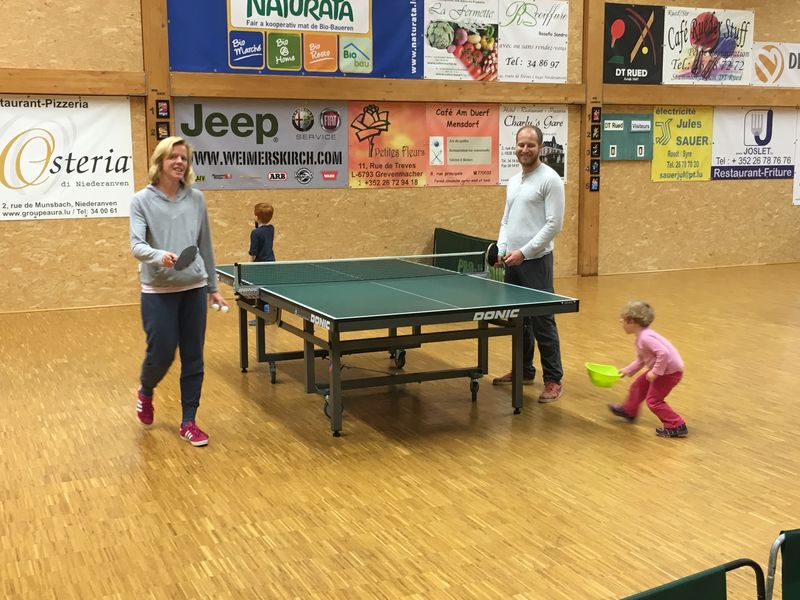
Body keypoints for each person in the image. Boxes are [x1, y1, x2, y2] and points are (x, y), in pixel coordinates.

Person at [129, 136, 228, 447]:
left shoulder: (196, 199)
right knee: (161, 353)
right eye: (173, 156)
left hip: (193, 289)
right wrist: (160, 256)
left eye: (184, 158)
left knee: (193, 357)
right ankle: (146, 390)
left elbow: (205, 245)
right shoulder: (141, 200)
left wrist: (213, 287)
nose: (179, 162)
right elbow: (136, 246)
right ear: (160, 161)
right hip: (157, 290)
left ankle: (189, 421)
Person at [491, 125, 565, 403]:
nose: (525, 149)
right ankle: (523, 370)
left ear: (540, 148)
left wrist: (525, 252)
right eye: (521, 144)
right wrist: (502, 248)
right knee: (519, 321)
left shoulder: (550, 180)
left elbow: (554, 225)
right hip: (513, 261)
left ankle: (553, 380)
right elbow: (506, 220)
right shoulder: (513, 181)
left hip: (536, 262)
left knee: (543, 321)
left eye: (530, 145)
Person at [608, 300, 688, 438]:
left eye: (623, 320)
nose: (621, 321)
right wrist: (626, 370)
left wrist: (655, 372)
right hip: (663, 370)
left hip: (669, 373)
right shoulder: (642, 336)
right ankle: (629, 410)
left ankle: (676, 425)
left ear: (632, 322)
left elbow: (663, 353)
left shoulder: (645, 338)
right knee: (638, 386)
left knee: (654, 401)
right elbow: (641, 360)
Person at [247, 202, 276, 325]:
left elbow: (253, 252)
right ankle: (269, 315)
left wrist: (249, 266)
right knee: (267, 291)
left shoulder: (255, 233)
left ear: (256, 217)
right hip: (271, 263)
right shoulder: (271, 229)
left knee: (259, 292)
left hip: (259, 265)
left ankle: (262, 318)